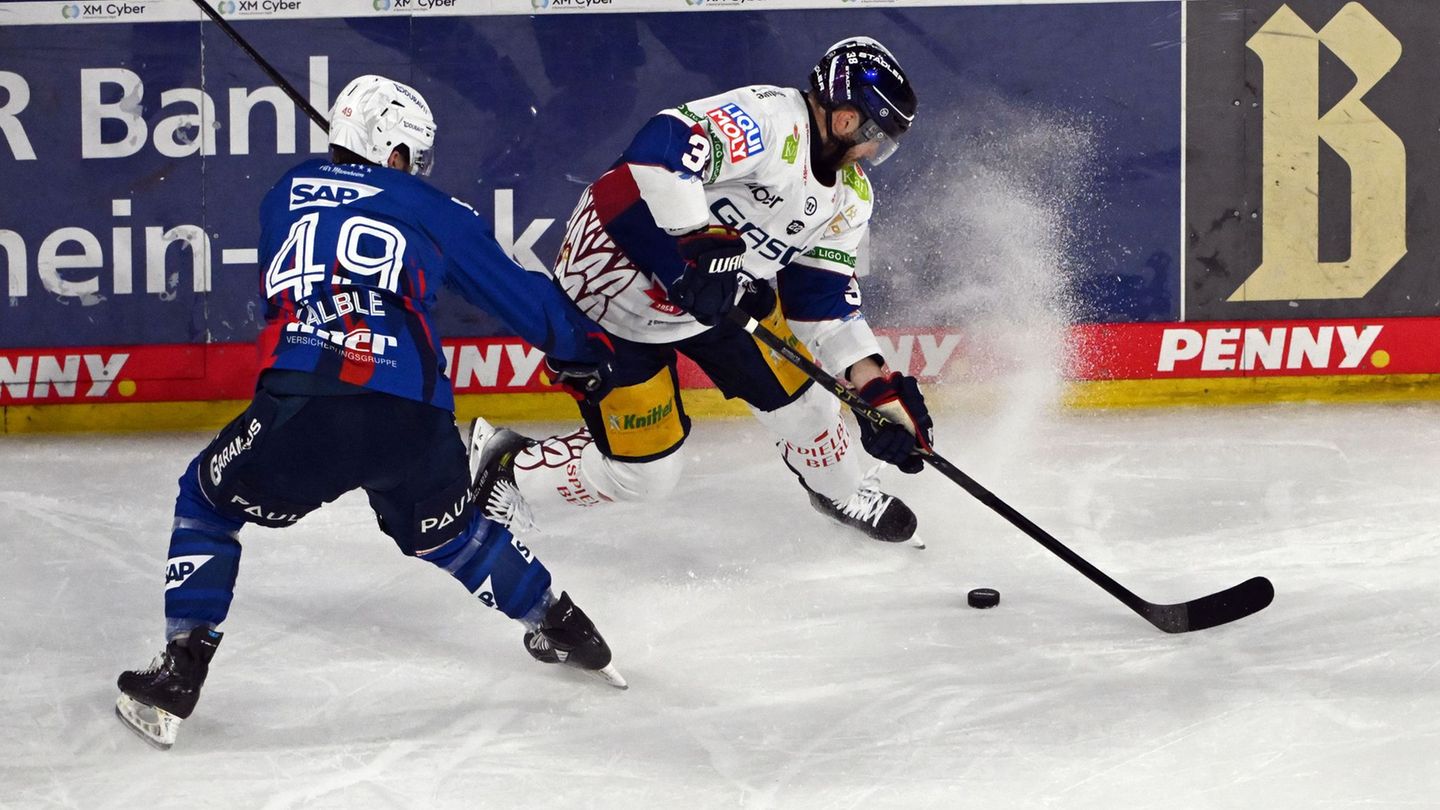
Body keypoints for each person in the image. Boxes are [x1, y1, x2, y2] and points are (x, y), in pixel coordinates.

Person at [115, 75, 625, 751]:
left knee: (207, 503)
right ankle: (565, 626)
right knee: (451, 534)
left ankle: (181, 670)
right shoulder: (431, 207)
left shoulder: (284, 192)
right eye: (412, 156)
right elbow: (525, 301)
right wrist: (591, 353)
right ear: (394, 150)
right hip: (415, 415)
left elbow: (296, 278)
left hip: (307, 402)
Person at [475, 37, 935, 545]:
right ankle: (506, 466)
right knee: (645, 477)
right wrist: (693, 245)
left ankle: (840, 490)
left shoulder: (850, 198)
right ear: (847, 120)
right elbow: (659, 149)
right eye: (876, 138)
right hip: (614, 285)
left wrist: (874, 389)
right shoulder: (768, 120)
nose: (874, 153)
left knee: (809, 406)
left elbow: (821, 301)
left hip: (718, 294)